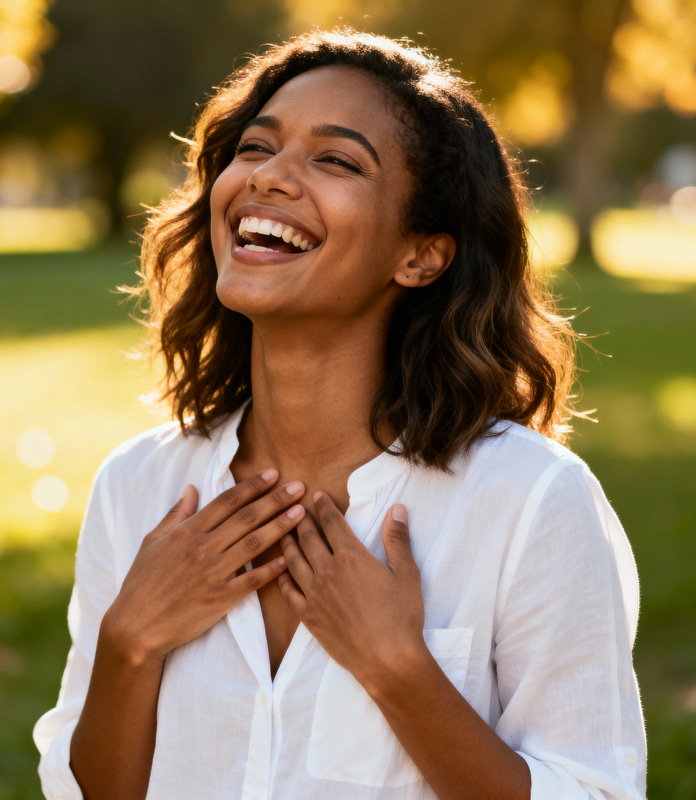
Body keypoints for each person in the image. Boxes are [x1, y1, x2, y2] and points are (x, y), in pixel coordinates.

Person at [34, 28, 646, 800]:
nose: (269, 179)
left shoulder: (530, 500)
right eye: (255, 148)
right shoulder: (139, 486)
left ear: (420, 254)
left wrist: (398, 668)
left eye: (336, 160)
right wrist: (130, 642)